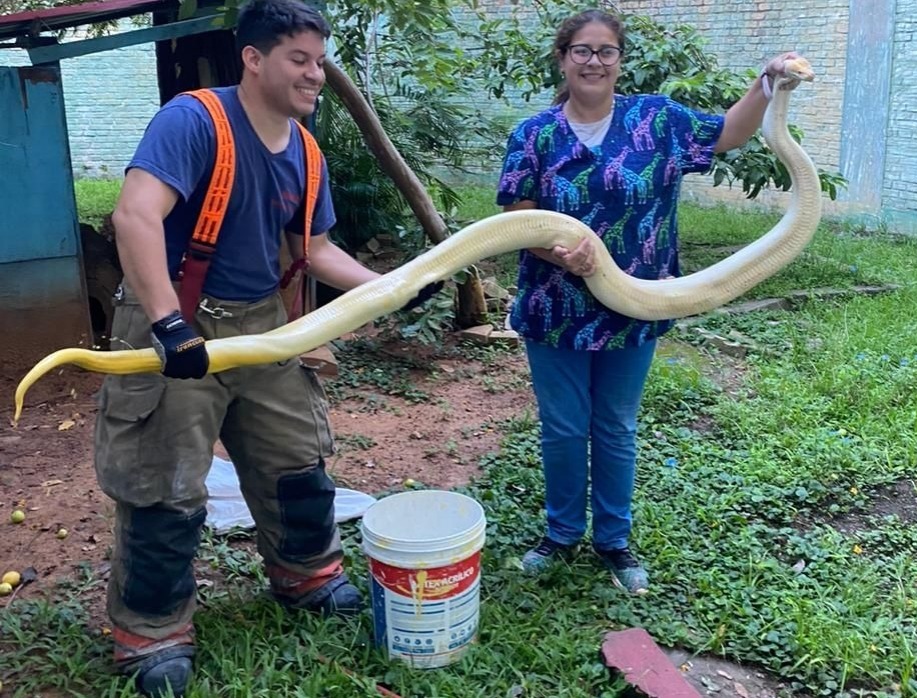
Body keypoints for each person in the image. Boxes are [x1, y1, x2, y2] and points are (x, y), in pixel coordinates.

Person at [96, 1, 436, 695]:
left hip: (266, 327)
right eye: (299, 59)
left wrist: (390, 286)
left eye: (319, 60)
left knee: (297, 461)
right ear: (253, 59)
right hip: (180, 321)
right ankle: (151, 633)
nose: (315, 74)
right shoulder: (194, 121)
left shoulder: (305, 153)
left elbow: (313, 250)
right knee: (164, 485)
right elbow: (133, 214)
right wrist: (167, 323)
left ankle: (306, 576)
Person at [496, 8, 802, 594]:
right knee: (563, 427)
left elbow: (729, 134)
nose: (594, 61)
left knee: (614, 425)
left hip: (634, 304)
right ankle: (559, 534)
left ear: (619, 60)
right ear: (563, 59)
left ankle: (613, 540)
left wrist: (767, 82)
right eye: (582, 51)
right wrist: (566, 253)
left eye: (605, 51)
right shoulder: (533, 134)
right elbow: (515, 214)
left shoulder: (656, 120)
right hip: (554, 306)